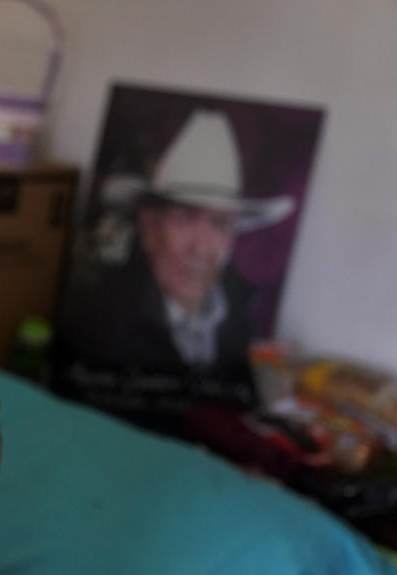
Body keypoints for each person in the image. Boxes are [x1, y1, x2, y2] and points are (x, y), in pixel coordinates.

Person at [57, 109, 294, 418]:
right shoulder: (100, 320)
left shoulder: (245, 315)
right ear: (149, 229)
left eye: (219, 224)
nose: (201, 247)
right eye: (184, 219)